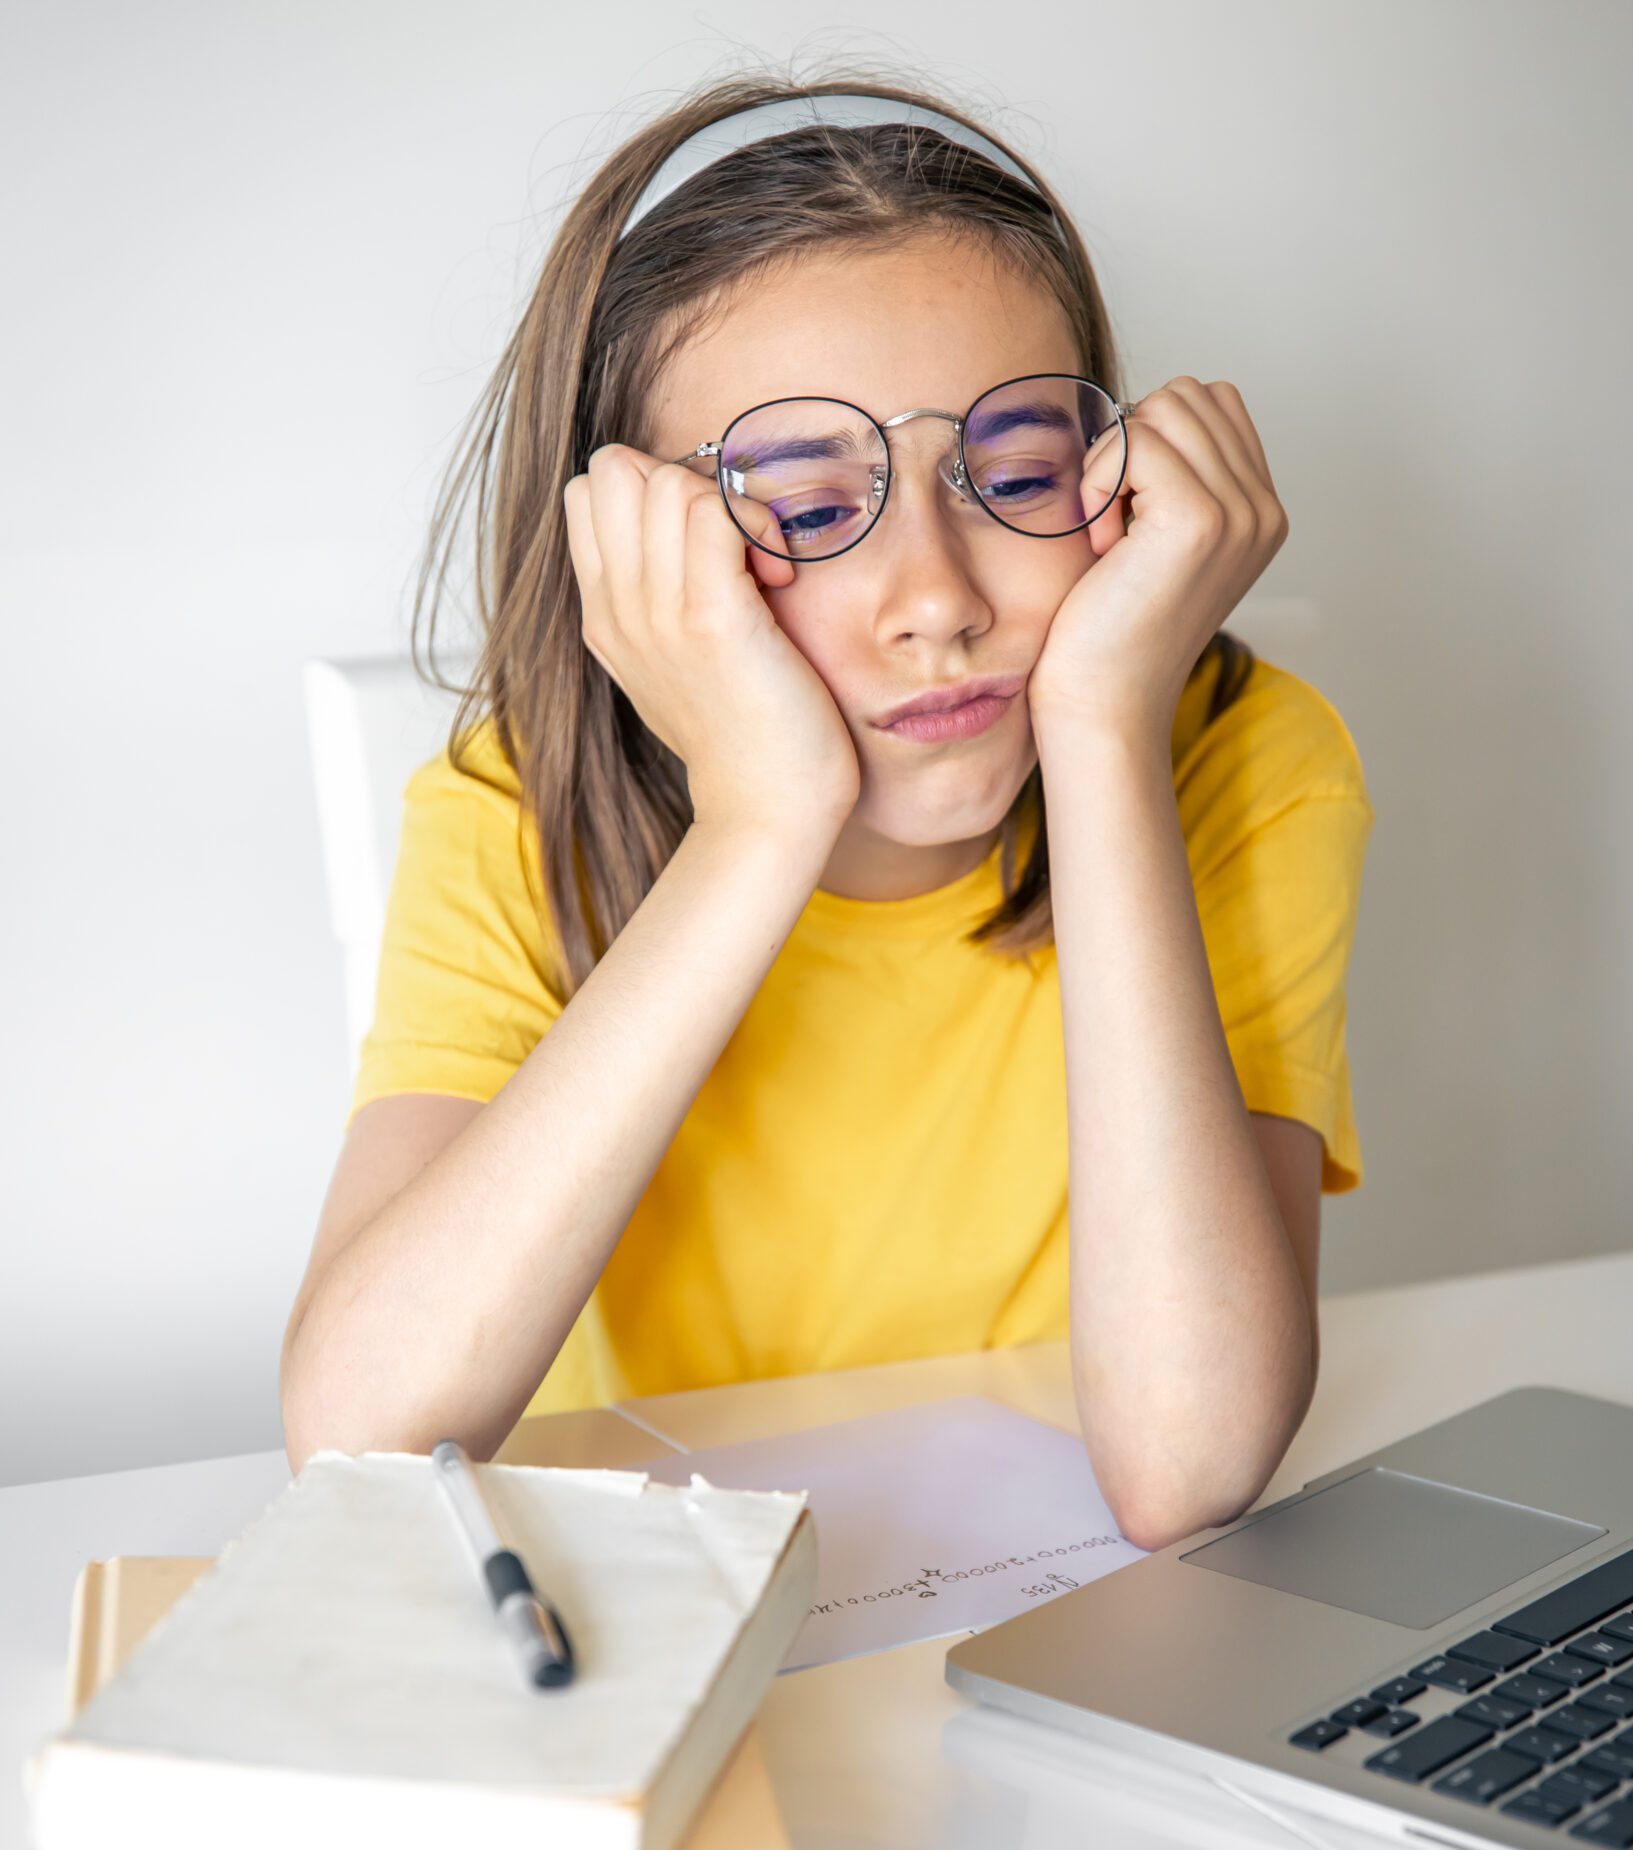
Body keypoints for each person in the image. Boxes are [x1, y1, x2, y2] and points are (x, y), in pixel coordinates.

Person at [280, 75, 1371, 1549]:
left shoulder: (1244, 762)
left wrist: (1106, 727)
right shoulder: (509, 818)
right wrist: (757, 820)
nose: (938, 599)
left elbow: (1190, 1464)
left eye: (1020, 473)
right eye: (803, 509)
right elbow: (363, 1439)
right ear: (638, 554)